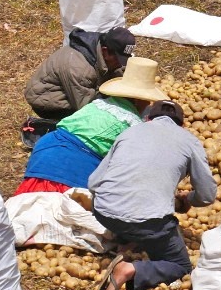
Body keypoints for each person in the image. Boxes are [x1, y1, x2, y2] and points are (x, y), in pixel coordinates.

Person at [92, 101, 216, 290]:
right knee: (181, 265)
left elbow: (94, 183)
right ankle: (130, 270)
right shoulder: (189, 141)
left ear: (148, 118)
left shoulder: (129, 133)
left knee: (129, 210)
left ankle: (125, 241)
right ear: (181, 125)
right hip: (147, 223)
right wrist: (187, 200)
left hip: (103, 211)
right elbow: (207, 195)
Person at [16, 57, 168, 195]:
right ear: (138, 100)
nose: (148, 104)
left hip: (46, 147)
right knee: (62, 215)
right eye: (147, 100)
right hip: (71, 164)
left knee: (33, 207)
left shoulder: (99, 104)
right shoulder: (133, 124)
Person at [24, 26, 135, 122]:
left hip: (77, 90)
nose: (120, 64)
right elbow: (86, 107)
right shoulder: (79, 68)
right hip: (47, 101)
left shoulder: (102, 47)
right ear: (105, 51)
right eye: (118, 60)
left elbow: (121, 72)